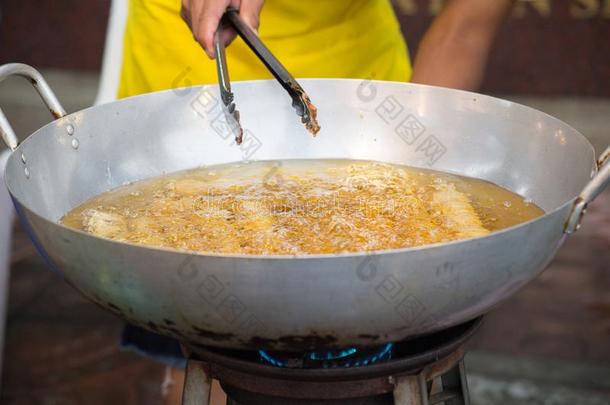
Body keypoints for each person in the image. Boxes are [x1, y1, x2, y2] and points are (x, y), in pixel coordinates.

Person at [117, 0, 514, 403]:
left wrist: (411, 161)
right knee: (209, 343)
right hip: (199, 82)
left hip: (357, 102)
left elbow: (467, 22)